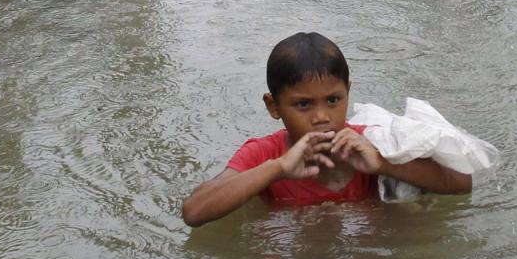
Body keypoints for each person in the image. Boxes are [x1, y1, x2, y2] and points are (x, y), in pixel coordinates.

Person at [181, 32, 472, 227]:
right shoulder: (265, 154)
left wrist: (383, 163)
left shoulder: (368, 141)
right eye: (303, 104)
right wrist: (278, 168)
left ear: (348, 92)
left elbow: (462, 184)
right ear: (274, 107)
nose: (322, 117)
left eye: (333, 100)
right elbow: (194, 212)